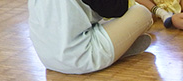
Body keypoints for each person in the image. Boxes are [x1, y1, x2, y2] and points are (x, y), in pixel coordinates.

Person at [28, 0, 161, 75]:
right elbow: (116, 9)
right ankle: (119, 48)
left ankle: (120, 45)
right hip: (77, 56)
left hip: (46, 55)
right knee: (142, 13)